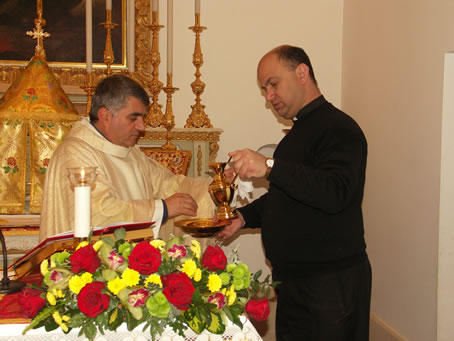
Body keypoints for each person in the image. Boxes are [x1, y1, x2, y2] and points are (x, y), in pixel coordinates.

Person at [218, 45, 372, 341]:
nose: (268, 96)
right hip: (293, 283)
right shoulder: (296, 135)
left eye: (273, 84)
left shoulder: (340, 128)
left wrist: (270, 166)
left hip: (330, 286)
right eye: (264, 89)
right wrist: (242, 218)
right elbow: (287, 197)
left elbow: (335, 192)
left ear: (302, 73)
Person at [40, 74, 213, 243]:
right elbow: (97, 214)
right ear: (105, 115)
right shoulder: (75, 154)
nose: (142, 126)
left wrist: (216, 186)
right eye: (133, 118)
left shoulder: (130, 152)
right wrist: (163, 209)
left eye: (143, 118)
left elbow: (170, 185)